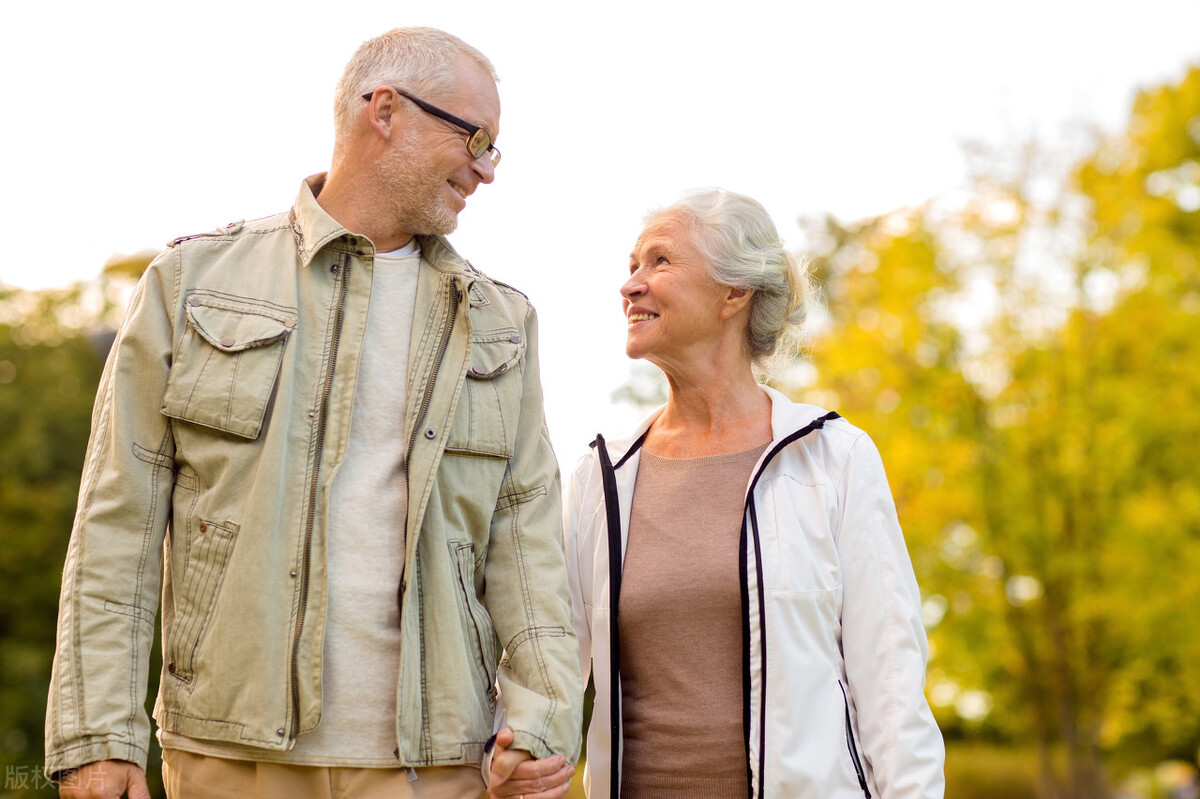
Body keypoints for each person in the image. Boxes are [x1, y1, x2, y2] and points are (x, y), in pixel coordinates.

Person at [44, 27, 582, 799]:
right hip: (229, 759)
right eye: (477, 138)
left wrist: (541, 722)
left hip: (436, 768)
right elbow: (115, 524)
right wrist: (100, 736)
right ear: (385, 110)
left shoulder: (503, 322)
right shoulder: (189, 282)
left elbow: (526, 542)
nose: (486, 170)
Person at [517, 188, 945, 797]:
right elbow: (550, 661)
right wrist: (508, 754)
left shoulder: (833, 458)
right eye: (631, 266)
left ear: (734, 293)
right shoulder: (601, 478)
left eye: (659, 262)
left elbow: (893, 685)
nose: (630, 285)